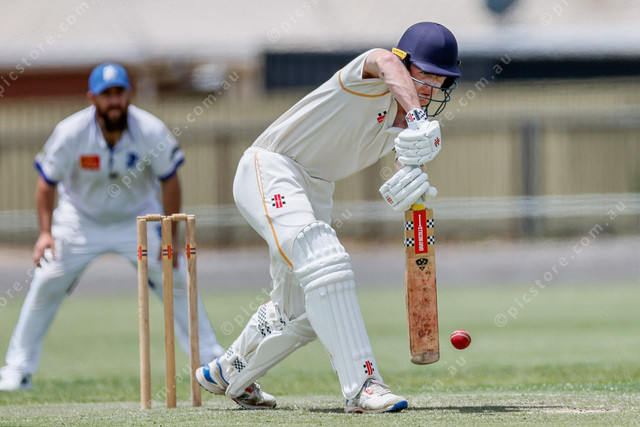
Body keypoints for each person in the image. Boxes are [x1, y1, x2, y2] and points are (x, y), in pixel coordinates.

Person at [195, 22, 461, 413]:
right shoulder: (369, 77)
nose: (432, 85)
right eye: (426, 73)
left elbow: (405, 164)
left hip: (316, 190)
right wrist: (420, 117)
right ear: (405, 63)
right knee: (326, 260)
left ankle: (229, 371)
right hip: (272, 168)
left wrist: (412, 179)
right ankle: (363, 385)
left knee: (300, 311)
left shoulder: (406, 124)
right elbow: (383, 60)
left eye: (441, 79)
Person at [0, 63, 228, 392]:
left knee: (175, 277)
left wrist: (170, 237)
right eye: (106, 94)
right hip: (79, 221)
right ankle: (17, 371)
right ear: (92, 98)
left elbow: (170, 180)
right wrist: (45, 233)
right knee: (46, 278)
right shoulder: (70, 132)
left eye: (119, 93)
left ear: (129, 95)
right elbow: (46, 183)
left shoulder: (150, 129)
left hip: (137, 219)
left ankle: (211, 362)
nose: (114, 101)